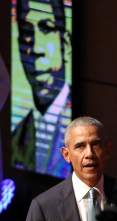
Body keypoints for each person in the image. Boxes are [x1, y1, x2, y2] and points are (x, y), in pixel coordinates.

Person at [25, 116, 117, 221]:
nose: (89, 154)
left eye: (96, 144)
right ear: (66, 155)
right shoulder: (44, 207)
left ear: (107, 150)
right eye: (80, 146)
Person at [11, 0, 72, 177]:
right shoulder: (17, 138)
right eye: (27, 32)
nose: (36, 47)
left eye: (46, 28)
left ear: (66, 44)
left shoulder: (87, 124)